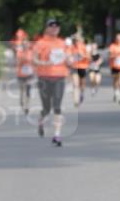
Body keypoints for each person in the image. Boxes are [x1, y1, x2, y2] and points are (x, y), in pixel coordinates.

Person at [32, 18, 69, 146]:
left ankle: (57, 135)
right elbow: (34, 60)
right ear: (47, 28)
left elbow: (68, 59)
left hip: (59, 77)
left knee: (57, 107)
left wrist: (71, 60)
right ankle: (41, 121)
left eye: (57, 26)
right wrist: (44, 63)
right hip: (44, 78)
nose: (55, 28)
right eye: (52, 26)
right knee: (46, 108)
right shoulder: (40, 43)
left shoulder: (62, 43)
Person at [68, 33, 90, 106]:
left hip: (82, 67)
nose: (76, 41)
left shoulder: (83, 47)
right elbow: (68, 56)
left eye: (77, 40)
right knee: (75, 84)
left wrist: (83, 55)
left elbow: (89, 57)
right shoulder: (71, 47)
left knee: (82, 84)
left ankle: (82, 94)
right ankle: (76, 101)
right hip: (74, 67)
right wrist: (69, 59)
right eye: (75, 40)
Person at [15, 36, 34, 114]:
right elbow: (18, 62)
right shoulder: (19, 53)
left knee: (28, 91)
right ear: (22, 45)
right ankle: (21, 101)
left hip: (29, 73)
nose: (26, 45)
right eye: (24, 44)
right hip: (21, 74)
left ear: (29, 44)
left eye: (27, 44)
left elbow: (34, 62)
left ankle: (27, 106)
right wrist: (23, 60)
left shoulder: (31, 52)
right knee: (22, 90)